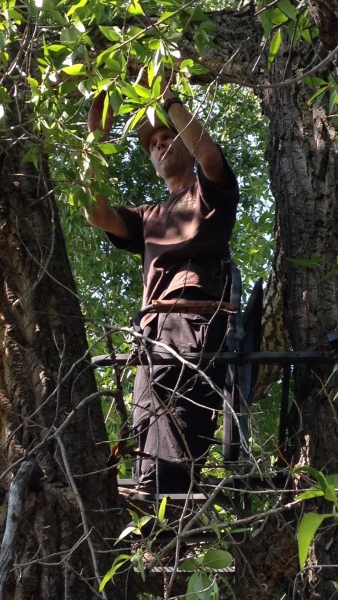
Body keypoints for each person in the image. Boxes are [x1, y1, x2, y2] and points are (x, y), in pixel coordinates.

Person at [86, 84, 239, 493]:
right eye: (153, 143)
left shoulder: (210, 193)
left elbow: (209, 156)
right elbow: (97, 213)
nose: (160, 145)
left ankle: (167, 523)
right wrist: (94, 139)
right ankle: (152, 530)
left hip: (194, 319)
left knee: (177, 420)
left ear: (184, 144)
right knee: (146, 423)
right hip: (150, 330)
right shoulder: (147, 216)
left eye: (168, 137)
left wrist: (169, 97)